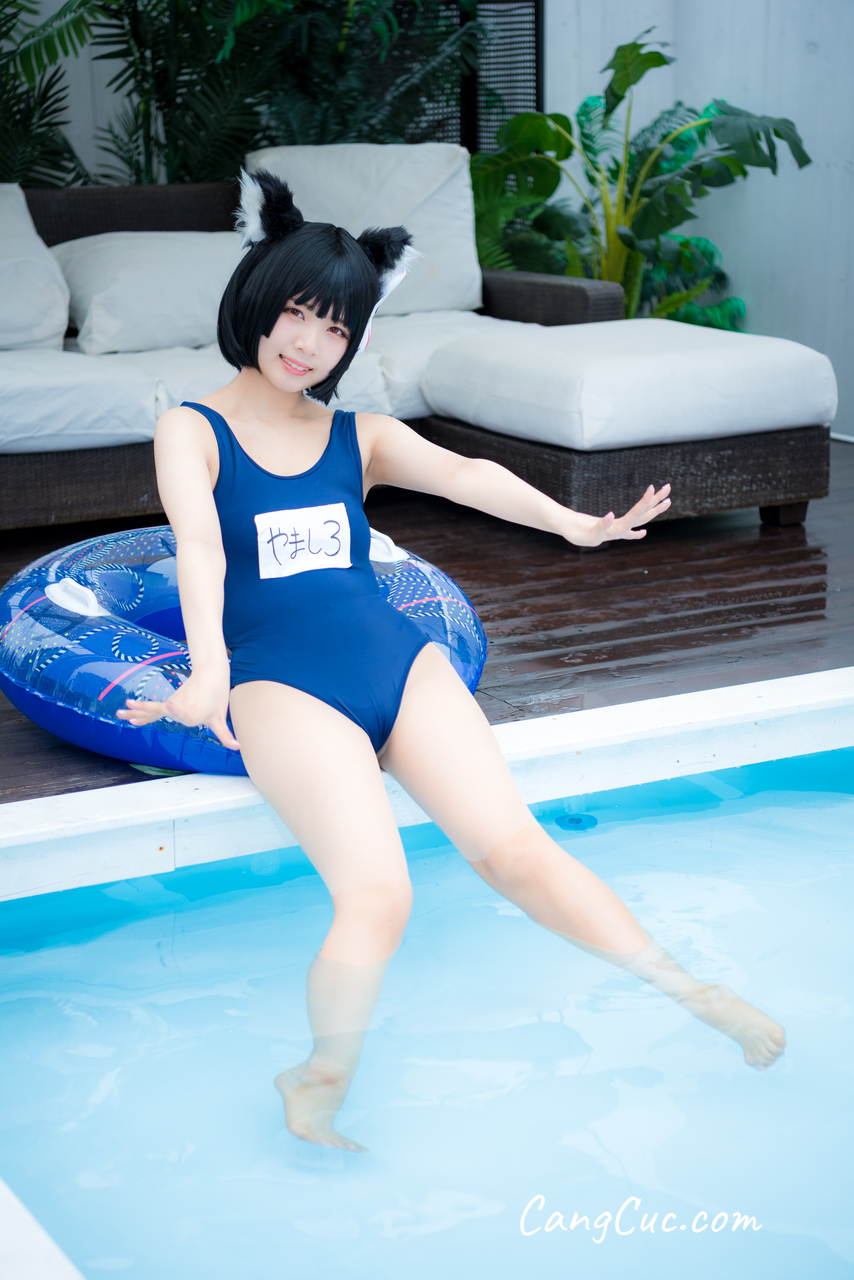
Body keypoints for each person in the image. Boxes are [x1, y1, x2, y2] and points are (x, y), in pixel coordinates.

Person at [118, 171, 786, 1151]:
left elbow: (467, 475)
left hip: (395, 659)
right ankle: (318, 1074)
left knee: (518, 851)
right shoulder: (193, 428)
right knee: (379, 894)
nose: (309, 343)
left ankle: (691, 991)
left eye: (335, 327)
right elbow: (201, 545)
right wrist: (209, 668)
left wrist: (575, 525)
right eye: (297, 312)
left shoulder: (359, 436)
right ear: (257, 299)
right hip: (280, 679)